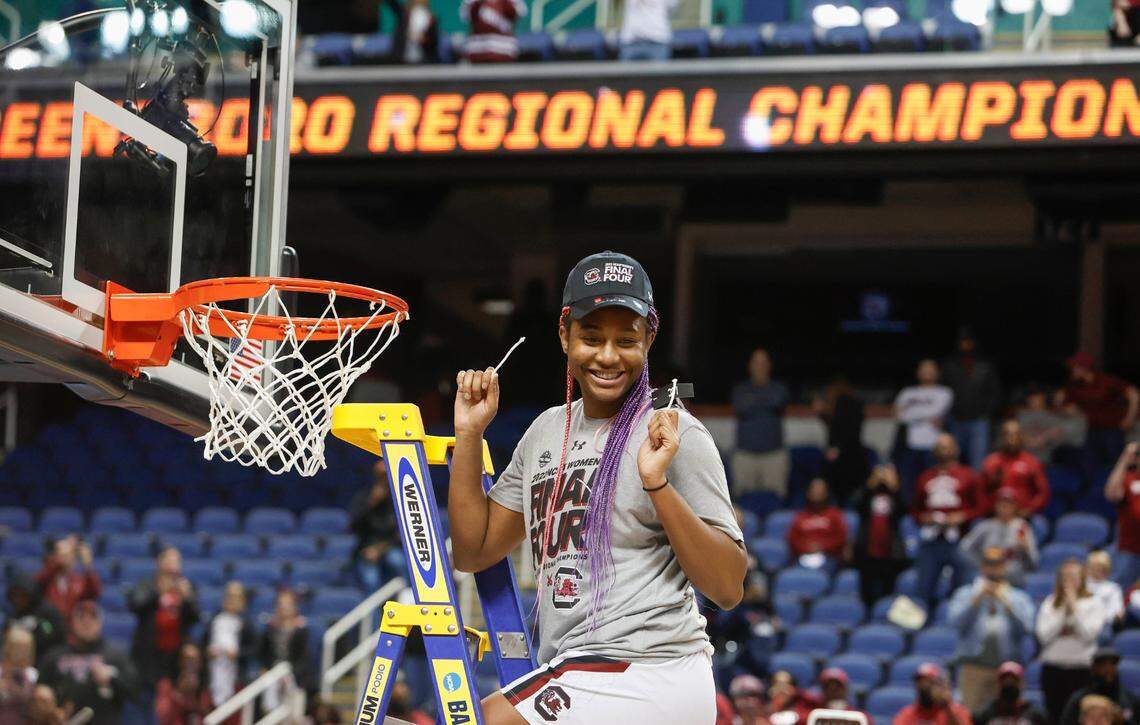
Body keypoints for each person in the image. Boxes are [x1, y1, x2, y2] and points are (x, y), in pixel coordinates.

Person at [448, 251, 746, 724]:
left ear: (648, 339)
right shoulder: (546, 431)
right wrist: (469, 436)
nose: (608, 356)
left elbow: (728, 587)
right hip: (583, 669)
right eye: (591, 337)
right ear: (564, 336)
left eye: (626, 340)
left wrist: (657, 483)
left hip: (649, 668)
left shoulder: (674, 433)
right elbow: (473, 551)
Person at [947, 548, 1037, 712]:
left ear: (1004, 567)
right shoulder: (966, 593)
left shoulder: (1018, 597)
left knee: (1004, 716)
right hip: (973, 667)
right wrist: (976, 600)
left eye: (997, 565)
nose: (993, 569)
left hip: (1007, 670)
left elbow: (1027, 628)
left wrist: (1008, 604)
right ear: (982, 567)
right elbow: (955, 623)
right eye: (989, 564)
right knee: (970, 715)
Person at [913, 433, 985, 613]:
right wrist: (924, 517)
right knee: (923, 589)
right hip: (931, 540)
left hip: (959, 540)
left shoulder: (968, 475)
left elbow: (981, 506)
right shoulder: (925, 477)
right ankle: (921, 632)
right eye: (939, 447)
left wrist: (962, 516)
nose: (943, 451)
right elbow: (915, 509)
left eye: (947, 446)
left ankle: (955, 629)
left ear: (956, 449)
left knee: (962, 589)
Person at [40, 600, 139, 725]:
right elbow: (40, 690)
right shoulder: (55, 656)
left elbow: (134, 692)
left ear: (100, 623)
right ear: (72, 623)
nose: (87, 622)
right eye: (81, 617)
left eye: (92, 617)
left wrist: (112, 679)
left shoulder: (116, 656)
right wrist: (51, 710)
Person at [1037, 558, 1110, 724]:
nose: (1070, 580)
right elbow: (1043, 636)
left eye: (1074, 576)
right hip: (1053, 669)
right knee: (1054, 716)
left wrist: (1073, 608)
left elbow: (1088, 635)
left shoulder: (1093, 602)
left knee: (1079, 717)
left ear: (1082, 578)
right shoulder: (1050, 603)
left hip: (1081, 669)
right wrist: (1064, 613)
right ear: (1059, 579)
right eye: (1066, 576)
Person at [129, 547, 201, 695]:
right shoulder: (147, 585)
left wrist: (188, 599)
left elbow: (195, 618)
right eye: (170, 560)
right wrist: (157, 592)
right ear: (159, 563)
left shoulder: (186, 587)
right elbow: (136, 605)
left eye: (177, 561)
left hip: (175, 656)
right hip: (150, 655)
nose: (173, 565)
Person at [1057, 353, 1139, 466]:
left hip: (1113, 430)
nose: (1072, 371)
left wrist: (1130, 418)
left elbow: (1133, 393)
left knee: (1115, 464)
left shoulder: (1105, 381)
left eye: (1074, 368)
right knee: (1089, 464)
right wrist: (1063, 405)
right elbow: (1067, 406)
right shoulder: (1075, 385)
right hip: (1093, 429)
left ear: (1083, 368)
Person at [731, 348, 790, 498]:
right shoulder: (740, 390)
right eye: (756, 363)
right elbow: (741, 406)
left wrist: (754, 400)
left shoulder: (779, 389)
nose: (760, 366)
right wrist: (765, 401)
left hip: (774, 455)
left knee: (776, 500)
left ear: (769, 365)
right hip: (745, 455)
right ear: (750, 366)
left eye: (763, 363)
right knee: (741, 501)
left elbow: (778, 402)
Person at [942, 328, 1002, 471]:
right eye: (962, 341)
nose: (965, 344)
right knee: (953, 462)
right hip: (956, 420)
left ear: (973, 343)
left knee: (978, 463)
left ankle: (976, 493)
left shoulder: (985, 365)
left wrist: (986, 412)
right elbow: (943, 392)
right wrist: (949, 413)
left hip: (979, 421)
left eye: (968, 341)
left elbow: (995, 392)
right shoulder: (950, 365)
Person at [850, 463, 909, 609]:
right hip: (867, 553)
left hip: (890, 553)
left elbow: (906, 508)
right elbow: (855, 503)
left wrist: (895, 487)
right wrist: (870, 484)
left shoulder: (894, 496)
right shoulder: (868, 495)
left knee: (888, 595)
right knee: (866, 595)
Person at [894, 359, 955, 490]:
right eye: (924, 369)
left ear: (937, 373)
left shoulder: (944, 392)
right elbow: (899, 416)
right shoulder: (907, 392)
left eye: (930, 369)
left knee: (931, 484)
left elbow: (938, 411)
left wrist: (911, 412)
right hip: (909, 445)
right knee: (908, 484)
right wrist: (926, 415)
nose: (927, 372)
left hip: (933, 446)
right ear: (918, 372)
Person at [959, 487, 1038, 587]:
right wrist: (980, 563)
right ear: (996, 505)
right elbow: (964, 547)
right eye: (1001, 503)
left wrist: (1025, 549)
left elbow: (1034, 561)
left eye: (1009, 504)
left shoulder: (1022, 527)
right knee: (971, 577)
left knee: (1015, 572)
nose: (1005, 507)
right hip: (987, 570)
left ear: (1015, 506)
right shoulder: (986, 526)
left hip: (1011, 572)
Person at [350, 459, 407, 592]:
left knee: (399, 563)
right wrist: (371, 503)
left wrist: (380, 550)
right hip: (366, 547)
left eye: (386, 475)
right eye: (381, 475)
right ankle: (376, 613)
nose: (384, 479)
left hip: (390, 546)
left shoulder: (400, 498)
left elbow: (401, 533)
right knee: (370, 579)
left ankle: (406, 601)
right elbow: (353, 527)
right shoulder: (365, 496)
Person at [817, 377, 870, 505]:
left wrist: (837, 448)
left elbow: (845, 429)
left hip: (846, 459)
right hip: (854, 457)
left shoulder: (844, 403)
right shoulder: (854, 403)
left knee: (842, 492)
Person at [203, 581, 256, 708]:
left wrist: (238, 654)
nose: (231, 600)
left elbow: (254, 649)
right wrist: (208, 652)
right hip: (212, 679)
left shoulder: (247, 624)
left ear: (243, 601)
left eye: (236, 597)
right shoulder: (214, 620)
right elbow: (203, 643)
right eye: (229, 596)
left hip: (237, 680)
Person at [980, 421, 1050, 516]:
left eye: (1015, 435)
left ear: (1021, 437)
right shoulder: (990, 462)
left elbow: (1043, 493)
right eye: (1007, 434)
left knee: (1040, 525)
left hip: (1023, 513)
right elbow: (980, 492)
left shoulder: (1032, 462)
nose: (1011, 439)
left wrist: (1029, 509)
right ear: (1001, 438)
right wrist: (990, 509)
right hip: (995, 514)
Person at [257, 589, 311, 710]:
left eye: (287, 604)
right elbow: (262, 653)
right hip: (273, 673)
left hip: (294, 676)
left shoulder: (302, 629)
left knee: (293, 712)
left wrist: (291, 673)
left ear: (295, 607)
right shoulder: (269, 628)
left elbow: (303, 658)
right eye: (280, 604)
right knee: (270, 707)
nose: (283, 607)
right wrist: (264, 668)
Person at [1060, 648, 1140, 725]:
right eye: (1103, 665)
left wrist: (1123, 721)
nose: (1108, 669)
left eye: (1112, 664)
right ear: (1094, 669)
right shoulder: (1078, 699)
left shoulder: (1130, 699)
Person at [786, 478, 848, 573]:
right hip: (803, 556)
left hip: (828, 557)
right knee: (796, 574)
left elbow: (840, 538)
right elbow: (792, 539)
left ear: (826, 493)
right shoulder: (800, 517)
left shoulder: (835, 515)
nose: (817, 492)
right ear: (808, 493)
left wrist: (822, 547)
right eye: (814, 489)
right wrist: (807, 548)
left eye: (820, 489)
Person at [3, 572, 65, 667]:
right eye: (15, 596)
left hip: (44, 660)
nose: (19, 600)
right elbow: (4, 639)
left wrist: (38, 625)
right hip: (15, 664)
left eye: (23, 595)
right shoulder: (13, 615)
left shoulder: (47, 612)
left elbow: (53, 633)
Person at [34, 536, 101, 621]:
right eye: (62, 554)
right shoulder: (48, 577)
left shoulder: (79, 581)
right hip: (48, 625)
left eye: (69, 554)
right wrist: (57, 561)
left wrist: (88, 566)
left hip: (70, 629)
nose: (66, 557)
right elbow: (36, 583)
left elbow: (94, 592)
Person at [1018, 386, 1086, 464]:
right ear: (1027, 400)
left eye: (1038, 398)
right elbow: (1028, 441)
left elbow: (1077, 435)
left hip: (1044, 461)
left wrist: (1075, 414)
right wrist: (1044, 437)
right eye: (1032, 399)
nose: (1035, 401)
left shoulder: (1052, 416)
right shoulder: (1021, 415)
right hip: (1022, 460)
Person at [1104, 442, 1140, 587]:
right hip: (1130, 550)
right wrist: (1124, 460)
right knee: (1118, 592)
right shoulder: (1129, 478)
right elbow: (1111, 494)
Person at [894, 662, 973, 725]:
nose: (924, 686)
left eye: (930, 682)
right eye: (920, 682)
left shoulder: (957, 711)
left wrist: (947, 707)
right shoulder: (906, 714)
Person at [973, 661, 1048, 725]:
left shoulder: (1034, 715)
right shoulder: (987, 713)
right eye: (1005, 681)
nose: (1009, 684)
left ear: (1022, 684)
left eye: (1013, 681)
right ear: (999, 685)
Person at [155, 643, 212, 725]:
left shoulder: (204, 689)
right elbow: (162, 716)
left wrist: (193, 695)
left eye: (195, 660)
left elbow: (208, 716)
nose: (190, 664)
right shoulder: (166, 685)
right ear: (179, 661)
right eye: (187, 659)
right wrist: (179, 693)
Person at [460, 0, 527, 62]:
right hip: (478, 51)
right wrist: (478, 3)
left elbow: (518, 13)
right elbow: (466, 16)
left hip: (504, 51)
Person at [0, 627, 38, 724]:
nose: (21, 653)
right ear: (8, 648)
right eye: (18, 648)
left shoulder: (32, 674)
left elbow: (32, 705)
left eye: (25, 649)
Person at [1086, 551, 1125, 628]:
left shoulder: (1113, 588)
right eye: (1094, 567)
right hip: (1081, 622)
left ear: (1107, 569)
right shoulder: (1081, 584)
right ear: (1088, 568)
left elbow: (1116, 611)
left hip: (1103, 625)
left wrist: (1097, 618)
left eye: (1101, 568)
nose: (1097, 570)